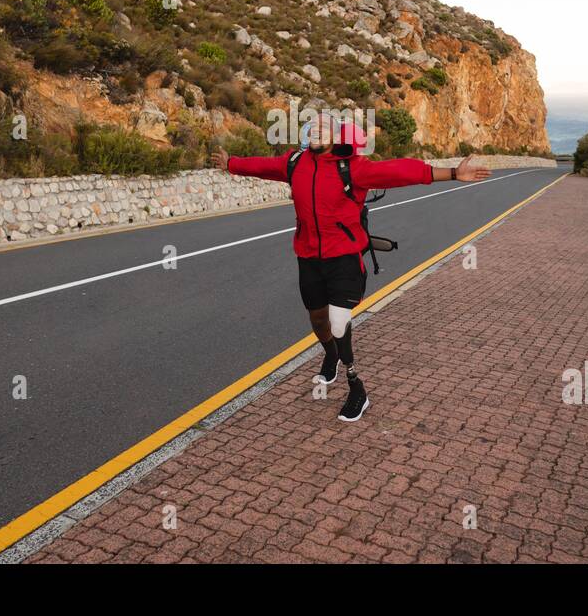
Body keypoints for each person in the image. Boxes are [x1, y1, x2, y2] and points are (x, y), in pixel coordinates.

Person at [211, 114, 492, 422]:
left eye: (323, 128)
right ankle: (330, 356)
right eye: (311, 128)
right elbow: (262, 166)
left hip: (344, 258)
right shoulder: (294, 163)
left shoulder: (352, 168)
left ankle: (356, 387)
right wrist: (231, 163)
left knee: (338, 322)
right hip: (308, 258)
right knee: (318, 320)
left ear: (336, 136)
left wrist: (452, 172)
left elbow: (399, 171)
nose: (316, 132)